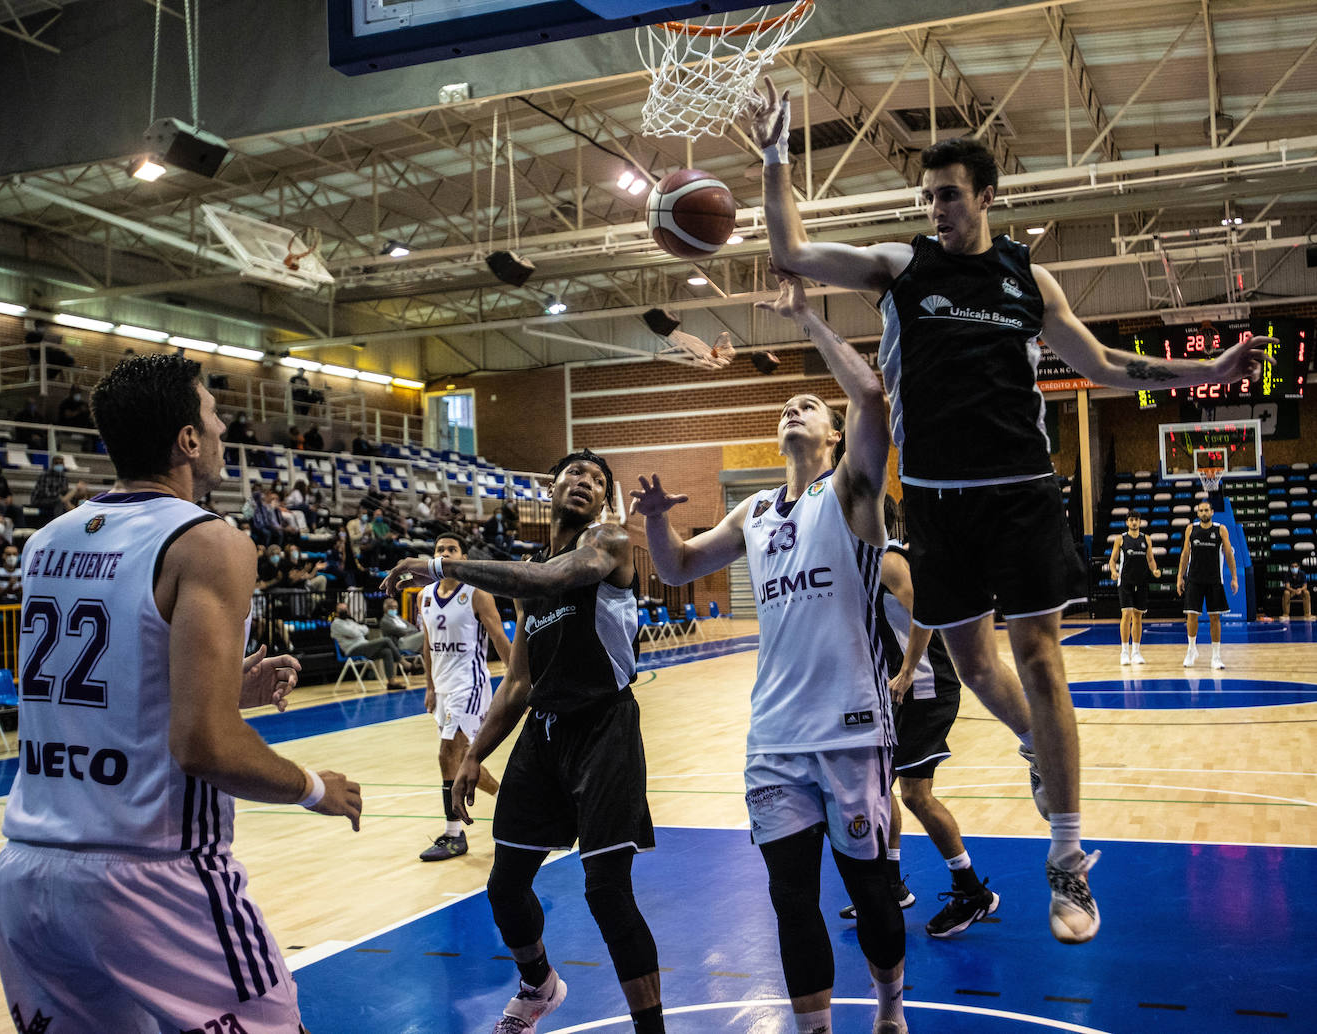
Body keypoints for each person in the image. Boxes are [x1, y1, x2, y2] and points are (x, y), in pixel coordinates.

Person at [743, 78, 1275, 944]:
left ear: (987, 197)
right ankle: (1038, 748)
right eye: (931, 198)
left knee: (1038, 658)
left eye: (951, 197)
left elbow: (1102, 364)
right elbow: (795, 252)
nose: (939, 210)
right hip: (943, 505)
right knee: (978, 668)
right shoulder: (901, 268)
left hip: (1024, 491)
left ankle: (1068, 863)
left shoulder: (1029, 278)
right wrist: (773, 157)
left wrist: (1202, 375)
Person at [0, 353, 361, 1032]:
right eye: (213, 417)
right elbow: (205, 749)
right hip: (153, 877)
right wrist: (315, 787)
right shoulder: (209, 542)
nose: (222, 431)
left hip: (26, 875)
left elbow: (89, 697)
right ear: (188, 441)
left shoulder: (45, 543)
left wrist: (224, 693)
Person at [631, 274, 906, 1034]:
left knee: (873, 891)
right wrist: (654, 522)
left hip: (850, 729)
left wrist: (809, 318)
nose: (792, 409)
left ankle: (889, 1009)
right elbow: (679, 566)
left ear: (830, 435)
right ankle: (814, 1028)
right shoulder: (754, 511)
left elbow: (874, 401)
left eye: (807, 406)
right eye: (786, 404)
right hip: (775, 740)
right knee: (790, 896)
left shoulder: (852, 493)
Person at [381, 448, 664, 1034]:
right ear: (551, 487)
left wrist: (445, 569)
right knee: (504, 887)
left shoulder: (609, 543)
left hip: (605, 727)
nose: (585, 482)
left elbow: (548, 577)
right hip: (544, 732)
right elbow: (517, 682)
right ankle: (538, 986)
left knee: (607, 893)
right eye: (575, 474)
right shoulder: (531, 571)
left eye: (597, 479)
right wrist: (474, 755)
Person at [840, 497, 998, 942]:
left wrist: (908, 670)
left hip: (926, 688)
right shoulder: (866, 561)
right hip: (902, 692)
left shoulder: (890, 560)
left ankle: (972, 892)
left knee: (914, 794)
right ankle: (890, 882)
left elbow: (921, 611)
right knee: (881, 785)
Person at [415, 532, 513, 861]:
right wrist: (429, 686)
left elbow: (499, 634)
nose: (445, 553)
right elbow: (427, 645)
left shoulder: (476, 593)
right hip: (442, 689)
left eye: (452, 549)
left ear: (463, 558)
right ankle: (514, 802)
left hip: (470, 686)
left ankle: (453, 834)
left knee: (448, 754)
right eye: (440, 549)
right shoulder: (425, 596)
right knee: (461, 760)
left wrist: (519, 677)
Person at [1176, 499, 1238, 669]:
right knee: (1191, 615)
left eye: (1206, 510)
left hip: (1214, 580)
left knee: (1214, 617)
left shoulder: (1220, 529)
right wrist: (1179, 577)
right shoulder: (1191, 529)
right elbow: (1185, 554)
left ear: (1212, 512)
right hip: (1194, 579)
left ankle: (1216, 656)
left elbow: (1229, 554)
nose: (1204, 513)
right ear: (1197, 513)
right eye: (1201, 510)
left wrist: (1234, 577)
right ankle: (1191, 650)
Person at [1108, 511, 1161, 664]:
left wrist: (1155, 570)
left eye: (1136, 520)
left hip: (1142, 581)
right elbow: (1113, 560)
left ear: (1140, 522)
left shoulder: (1146, 539)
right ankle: (1124, 652)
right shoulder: (1121, 539)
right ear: (1127, 522)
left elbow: (1150, 559)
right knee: (1126, 614)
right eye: (1131, 520)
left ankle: (1136, 652)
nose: (1134, 523)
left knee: (1138, 616)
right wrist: (1113, 571)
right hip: (1125, 581)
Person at [329, 601, 410, 690]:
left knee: (387, 652)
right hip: (353, 649)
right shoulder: (336, 624)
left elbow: (365, 629)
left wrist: (357, 630)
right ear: (336, 612)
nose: (344, 610)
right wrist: (357, 630)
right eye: (341, 609)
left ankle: (391, 682)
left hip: (364, 646)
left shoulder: (350, 621)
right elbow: (354, 633)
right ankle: (403, 662)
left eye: (345, 608)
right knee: (386, 640)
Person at [28, 458, 70, 525]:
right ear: (52, 465)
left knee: (67, 504)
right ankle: (57, 524)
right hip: (40, 500)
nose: (59, 465)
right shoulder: (45, 475)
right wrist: (60, 497)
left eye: (61, 463)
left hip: (55, 500)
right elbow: (46, 493)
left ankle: (66, 525)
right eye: (57, 463)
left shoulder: (63, 476)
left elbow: (65, 492)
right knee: (59, 502)